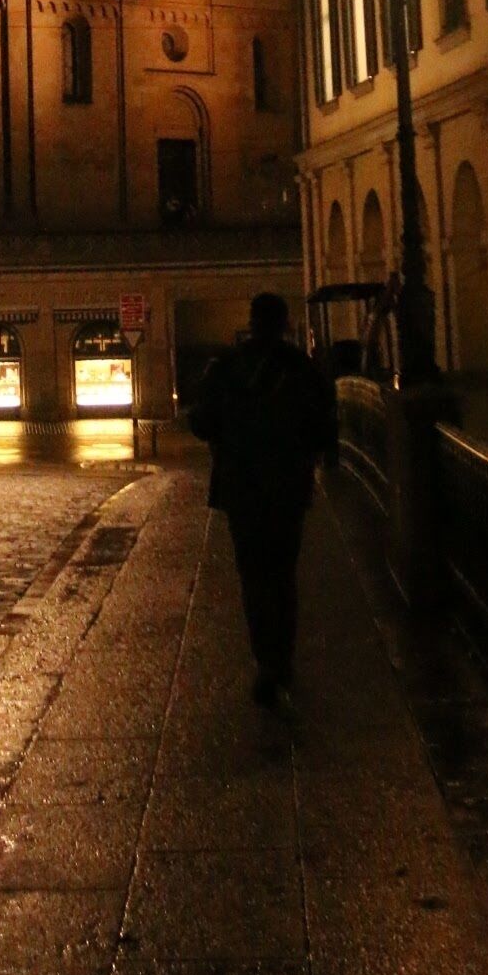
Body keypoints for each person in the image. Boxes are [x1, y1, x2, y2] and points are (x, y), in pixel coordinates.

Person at [188, 291, 337, 706]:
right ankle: (282, 658)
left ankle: (265, 662)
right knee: (283, 574)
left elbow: (200, 423)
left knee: (253, 576)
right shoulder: (301, 369)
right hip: (288, 487)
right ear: (285, 323)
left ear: (251, 323)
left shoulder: (227, 368)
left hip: (243, 488)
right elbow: (325, 430)